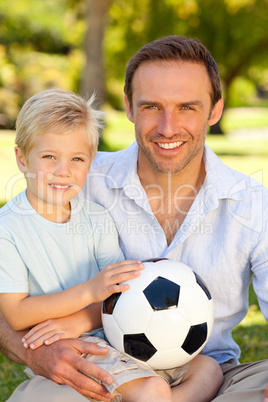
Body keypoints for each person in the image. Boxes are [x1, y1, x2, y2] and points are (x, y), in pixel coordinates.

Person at [0, 35, 267, 401]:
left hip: (208, 372)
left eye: (187, 107)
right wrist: (38, 351)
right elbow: (11, 297)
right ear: (128, 107)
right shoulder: (78, 182)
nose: (168, 127)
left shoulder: (253, 204)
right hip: (99, 365)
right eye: (152, 106)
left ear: (215, 110)